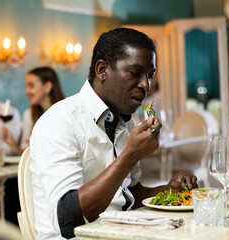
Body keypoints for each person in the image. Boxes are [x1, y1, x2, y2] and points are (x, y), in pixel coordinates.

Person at [30, 28, 198, 239]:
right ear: (102, 70)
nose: (146, 85)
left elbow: (128, 195)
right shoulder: (60, 121)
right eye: (135, 73)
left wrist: (169, 191)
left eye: (150, 75)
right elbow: (67, 217)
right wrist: (130, 156)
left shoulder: (126, 123)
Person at [2, 66, 66, 155]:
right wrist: (13, 145)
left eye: (31, 86)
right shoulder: (28, 115)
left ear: (47, 87)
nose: (26, 91)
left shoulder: (66, 113)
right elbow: (25, 154)